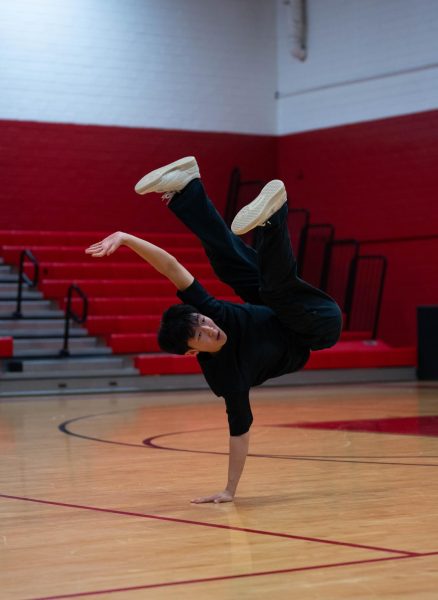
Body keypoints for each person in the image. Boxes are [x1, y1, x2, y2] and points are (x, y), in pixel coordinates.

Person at [86, 157, 342, 504]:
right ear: (193, 352)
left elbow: (171, 267)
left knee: (226, 262)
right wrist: (229, 490)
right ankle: (273, 220)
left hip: (282, 307)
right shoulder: (226, 377)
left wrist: (127, 237)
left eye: (204, 322)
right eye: (201, 334)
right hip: (318, 327)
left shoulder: (211, 313)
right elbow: (239, 432)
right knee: (271, 290)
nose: (210, 327)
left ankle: (186, 188)